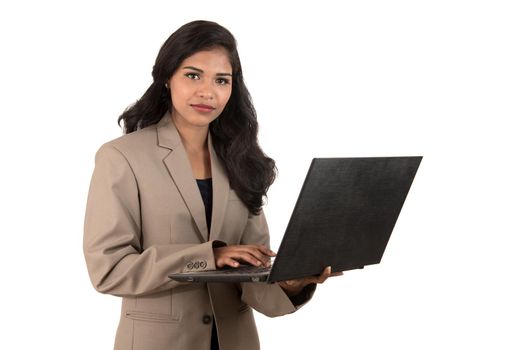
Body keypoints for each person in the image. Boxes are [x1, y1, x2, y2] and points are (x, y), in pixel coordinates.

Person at [83, 20, 340, 350]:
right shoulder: (121, 157)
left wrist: (291, 283)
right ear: (166, 78)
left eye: (222, 80)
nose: (208, 91)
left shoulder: (242, 159)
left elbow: (250, 278)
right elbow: (109, 270)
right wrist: (210, 257)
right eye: (193, 75)